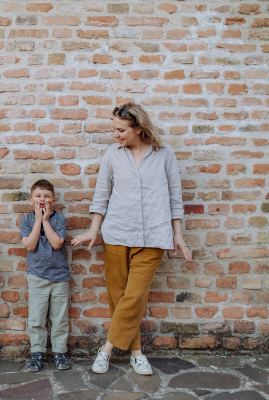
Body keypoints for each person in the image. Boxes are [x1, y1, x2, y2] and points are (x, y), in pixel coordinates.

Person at [71, 102, 191, 376]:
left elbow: (175, 197)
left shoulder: (164, 154)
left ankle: (106, 349)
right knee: (119, 297)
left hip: (155, 236)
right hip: (117, 234)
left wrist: (178, 236)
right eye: (114, 129)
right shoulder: (112, 155)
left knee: (134, 297)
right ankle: (137, 353)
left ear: (138, 129)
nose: (116, 134)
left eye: (121, 130)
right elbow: (102, 194)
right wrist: (93, 230)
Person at [20, 179, 71, 371]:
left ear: (54, 200)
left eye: (47, 196)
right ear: (31, 201)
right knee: (37, 318)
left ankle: (60, 352)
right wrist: (38, 220)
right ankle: (37, 352)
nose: (43, 199)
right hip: (37, 276)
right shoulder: (26, 220)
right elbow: (30, 245)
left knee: (59, 318)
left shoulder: (59, 219)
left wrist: (46, 221)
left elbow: (57, 243)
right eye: (38, 196)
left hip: (59, 277)